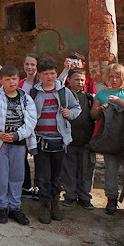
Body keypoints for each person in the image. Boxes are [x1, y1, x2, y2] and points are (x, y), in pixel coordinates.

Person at [0, 65, 37, 225]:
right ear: (1, 81)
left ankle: (14, 207)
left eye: (14, 79)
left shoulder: (26, 99)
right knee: (1, 177)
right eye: (7, 79)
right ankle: (2, 207)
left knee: (17, 177)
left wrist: (17, 135)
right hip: (0, 144)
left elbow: (31, 121)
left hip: (18, 144)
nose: (11, 82)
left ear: (18, 80)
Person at [32, 57, 80, 224]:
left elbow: (76, 107)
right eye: (45, 74)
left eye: (52, 73)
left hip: (59, 140)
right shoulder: (34, 93)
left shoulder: (64, 92)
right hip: (40, 140)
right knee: (42, 176)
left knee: (56, 176)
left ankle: (55, 204)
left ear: (56, 73)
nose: (49, 77)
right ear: (39, 75)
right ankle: (44, 206)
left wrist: (70, 113)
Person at [90, 63, 124, 216]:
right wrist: (100, 109)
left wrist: (120, 102)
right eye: (111, 76)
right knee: (110, 170)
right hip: (109, 138)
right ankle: (111, 199)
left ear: (122, 77)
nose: (114, 79)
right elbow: (93, 115)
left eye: (117, 77)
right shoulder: (101, 94)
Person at [61, 68, 96, 210]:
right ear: (69, 80)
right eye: (76, 79)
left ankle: (85, 197)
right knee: (68, 170)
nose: (79, 82)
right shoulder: (63, 97)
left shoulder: (89, 98)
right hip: (69, 140)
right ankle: (70, 195)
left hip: (86, 141)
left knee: (86, 171)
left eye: (82, 79)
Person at [19, 53, 41, 200]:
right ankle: (26, 186)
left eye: (32, 64)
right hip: (23, 126)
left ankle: (38, 187)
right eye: (27, 64)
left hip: (39, 125)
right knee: (22, 157)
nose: (29, 67)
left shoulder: (41, 84)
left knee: (39, 159)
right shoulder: (20, 84)